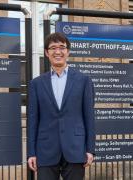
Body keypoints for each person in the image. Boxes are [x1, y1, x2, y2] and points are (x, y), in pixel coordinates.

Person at [27, 32, 95, 180]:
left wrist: (90, 149)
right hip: (45, 150)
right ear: (46, 52)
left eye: (62, 47)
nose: (58, 51)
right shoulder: (36, 84)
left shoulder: (84, 81)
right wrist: (31, 152)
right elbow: (32, 120)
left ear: (68, 51)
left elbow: (89, 117)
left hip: (75, 149)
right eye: (53, 48)